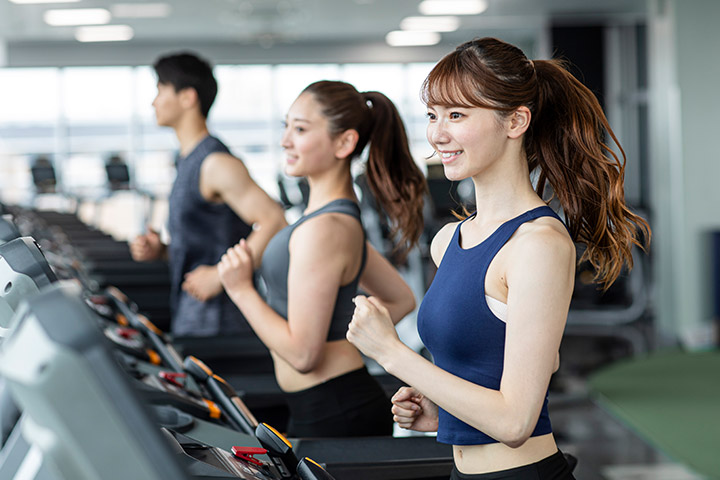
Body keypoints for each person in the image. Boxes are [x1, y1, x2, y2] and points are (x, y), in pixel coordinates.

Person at [346, 37, 651, 479]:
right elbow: (492, 372)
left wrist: (392, 353)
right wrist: (445, 414)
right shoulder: (449, 240)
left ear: (515, 121)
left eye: (457, 115)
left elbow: (514, 422)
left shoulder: (538, 243)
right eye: (433, 115)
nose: (437, 133)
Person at [216, 80, 427, 437]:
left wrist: (241, 291)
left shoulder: (325, 227)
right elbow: (400, 299)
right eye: (287, 126)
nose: (285, 140)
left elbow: (302, 356)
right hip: (330, 402)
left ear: (344, 142)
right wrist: (340, 335)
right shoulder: (332, 220)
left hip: (335, 408)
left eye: (299, 129)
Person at [130, 52, 286, 337]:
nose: (154, 101)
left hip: (222, 322)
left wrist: (218, 275)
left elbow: (275, 221)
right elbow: (207, 241)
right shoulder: (186, 159)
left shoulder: (216, 163)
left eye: (160, 90)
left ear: (187, 97)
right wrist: (162, 250)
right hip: (192, 311)